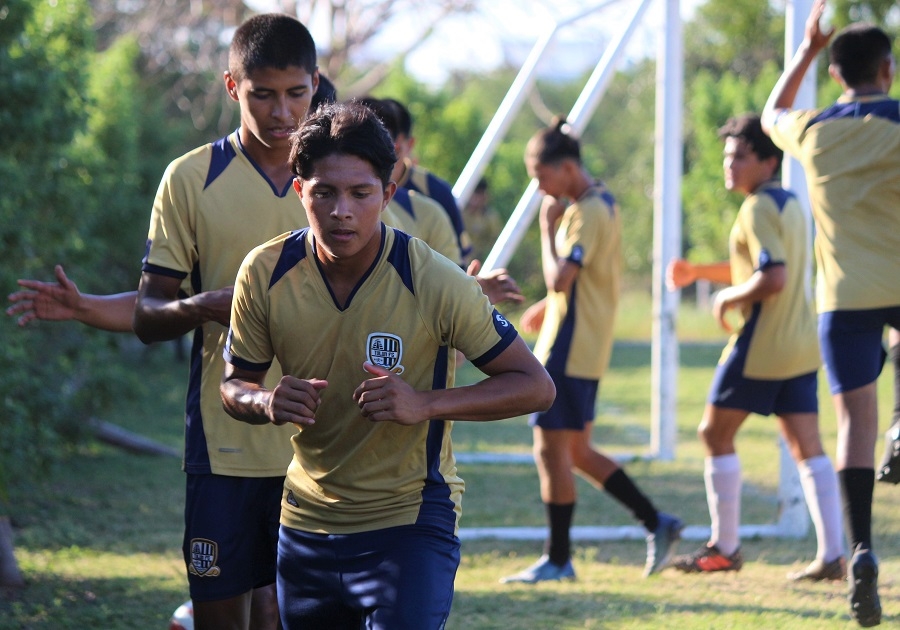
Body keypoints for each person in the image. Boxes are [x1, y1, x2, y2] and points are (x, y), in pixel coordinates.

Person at [11, 14, 319, 630]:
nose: (281, 111)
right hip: (224, 444)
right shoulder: (190, 178)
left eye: (295, 93)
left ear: (315, 84)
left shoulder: (335, 181)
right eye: (263, 94)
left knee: (285, 612)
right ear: (233, 87)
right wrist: (206, 306)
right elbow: (154, 313)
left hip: (321, 449)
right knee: (221, 615)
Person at [219, 100, 555, 629]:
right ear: (299, 190)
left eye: (360, 193)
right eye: (324, 192)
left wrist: (424, 404)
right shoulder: (263, 273)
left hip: (410, 523)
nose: (341, 211)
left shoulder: (434, 280)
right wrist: (265, 400)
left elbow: (535, 386)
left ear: (388, 194)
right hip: (305, 526)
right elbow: (234, 384)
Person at [762, 1, 900, 625]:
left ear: (840, 76)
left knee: (852, 426)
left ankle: (863, 549)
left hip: (843, 300)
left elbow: (769, 115)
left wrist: (807, 49)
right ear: (888, 70)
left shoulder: (814, 130)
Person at [500, 118, 683, 584]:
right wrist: (550, 305)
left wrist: (546, 230)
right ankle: (656, 522)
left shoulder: (584, 212)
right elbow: (582, 281)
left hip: (569, 348)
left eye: (540, 176)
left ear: (564, 168)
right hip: (582, 342)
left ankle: (558, 559)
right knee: (577, 450)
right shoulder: (602, 201)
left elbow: (562, 276)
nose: (538, 187)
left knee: (550, 449)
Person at [666, 114, 844, 581]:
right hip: (801, 345)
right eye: (727, 156)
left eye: (740, 156)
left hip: (762, 345)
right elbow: (761, 267)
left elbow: (773, 277)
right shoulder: (789, 204)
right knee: (808, 447)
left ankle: (724, 548)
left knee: (713, 433)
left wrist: (725, 297)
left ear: (768, 161)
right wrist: (702, 274)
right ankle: (833, 555)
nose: (729, 165)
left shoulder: (756, 209)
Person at [381, 97, 473, 261]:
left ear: (408, 144)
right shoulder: (344, 190)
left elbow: (457, 266)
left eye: (392, 146)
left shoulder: (437, 193)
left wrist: (475, 282)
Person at [462, 177, 504, 265]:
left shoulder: (491, 217)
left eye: (479, 194)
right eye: (474, 193)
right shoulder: (460, 212)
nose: (475, 198)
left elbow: (495, 242)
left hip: (477, 262)